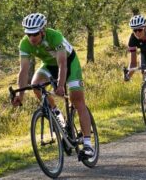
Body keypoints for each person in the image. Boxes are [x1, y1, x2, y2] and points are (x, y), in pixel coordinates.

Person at [11, 12, 95, 159]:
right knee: (35, 85)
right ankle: (56, 112)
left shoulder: (55, 36)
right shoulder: (25, 43)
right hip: (49, 65)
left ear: (43, 31)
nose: (31, 38)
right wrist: (20, 95)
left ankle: (88, 144)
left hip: (69, 63)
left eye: (35, 34)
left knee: (77, 100)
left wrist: (61, 85)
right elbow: (23, 71)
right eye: (28, 34)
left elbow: (63, 64)